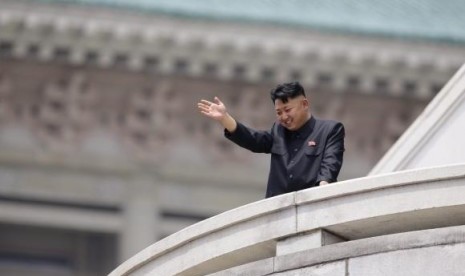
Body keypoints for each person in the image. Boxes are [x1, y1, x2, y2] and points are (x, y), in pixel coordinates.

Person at [197, 81, 345, 198]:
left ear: (304, 104)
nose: (284, 117)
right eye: (279, 112)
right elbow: (253, 139)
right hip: (277, 210)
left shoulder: (329, 130)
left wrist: (323, 187)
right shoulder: (278, 131)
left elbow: (330, 163)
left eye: (287, 110)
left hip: (311, 206)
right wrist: (224, 118)